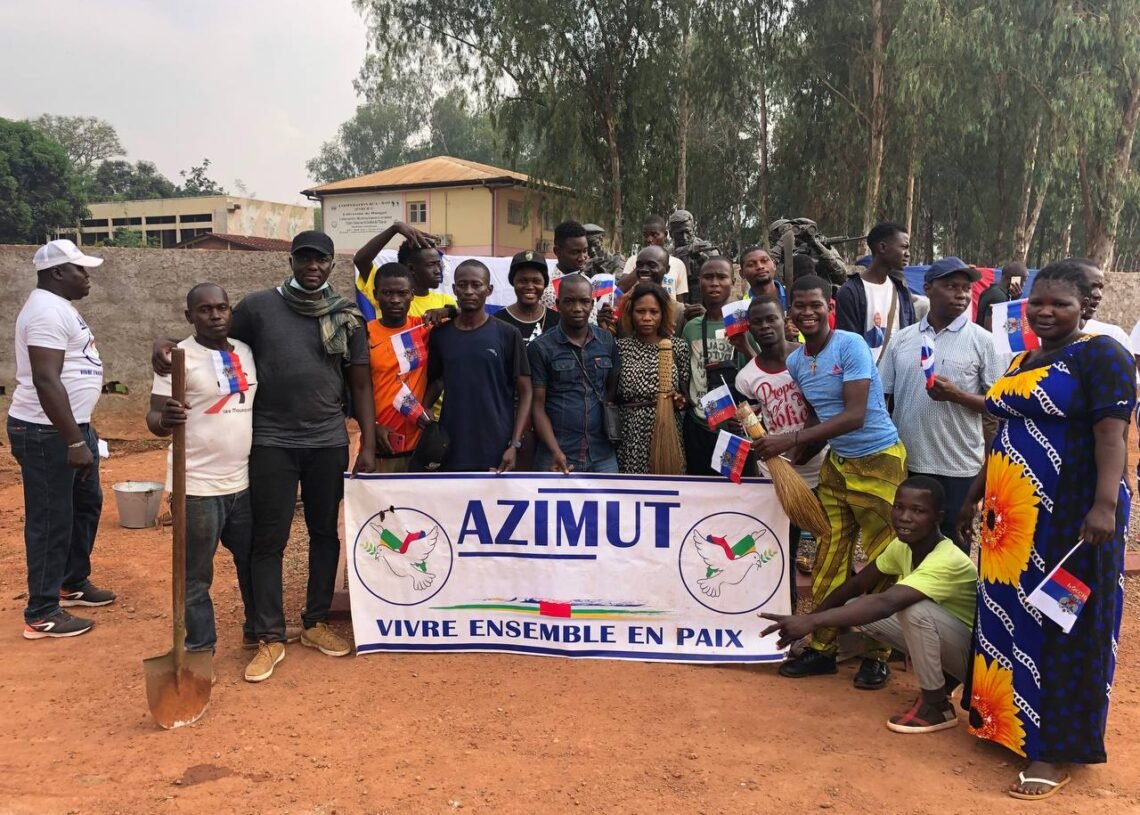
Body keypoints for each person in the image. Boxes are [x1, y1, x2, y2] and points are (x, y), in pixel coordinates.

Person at [151, 231, 376, 682]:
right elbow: (209, 336)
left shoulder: (346, 315)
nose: (312, 266)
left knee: (324, 533)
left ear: (332, 265)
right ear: (291, 261)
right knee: (268, 539)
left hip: (327, 440)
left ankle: (315, 622)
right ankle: (268, 634)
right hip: (271, 442)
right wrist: (164, 344)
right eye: (304, 258)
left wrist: (366, 441)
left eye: (321, 259)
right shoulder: (258, 308)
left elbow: (359, 382)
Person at [956, 260, 1135, 800]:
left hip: (1071, 519)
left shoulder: (1103, 355)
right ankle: (1008, 722)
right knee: (1008, 614)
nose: (1046, 311)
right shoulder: (1021, 359)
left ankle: (1056, 748)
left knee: (1064, 620)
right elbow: (1006, 431)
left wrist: (1104, 506)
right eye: (1038, 302)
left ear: (1084, 307)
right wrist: (974, 494)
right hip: (1009, 524)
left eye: (1061, 303)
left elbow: (1112, 435)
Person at [755, 275, 907, 690]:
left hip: (880, 462)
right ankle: (822, 648)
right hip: (838, 466)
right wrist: (793, 456)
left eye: (815, 305)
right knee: (828, 556)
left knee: (881, 560)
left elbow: (855, 415)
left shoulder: (850, 345)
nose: (807, 312)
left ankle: (877, 655)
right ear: (790, 311)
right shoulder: (797, 362)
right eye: (799, 306)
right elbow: (817, 413)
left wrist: (792, 439)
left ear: (829, 307)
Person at [762, 477, 978, 733]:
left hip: (977, 666)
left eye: (918, 511)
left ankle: (936, 705)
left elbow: (886, 603)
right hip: (951, 644)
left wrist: (811, 621)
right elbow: (856, 585)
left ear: (938, 517)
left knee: (914, 611)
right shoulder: (904, 546)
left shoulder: (947, 560)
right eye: (899, 507)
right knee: (858, 607)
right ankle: (946, 677)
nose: (905, 517)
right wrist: (809, 621)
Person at [9, 240, 115, 639]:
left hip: (70, 427)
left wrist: (82, 429)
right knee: (52, 518)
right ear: (57, 272)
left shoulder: (60, 307)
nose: (87, 277)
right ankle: (42, 612)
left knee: (85, 505)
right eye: (80, 270)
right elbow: (45, 378)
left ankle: (72, 582)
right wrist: (72, 440)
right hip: (46, 432)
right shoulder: (45, 311)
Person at [146, 283, 260, 656]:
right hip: (196, 487)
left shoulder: (245, 350)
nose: (215, 316)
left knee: (252, 562)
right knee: (195, 574)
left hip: (243, 483)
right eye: (205, 310)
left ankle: (257, 630)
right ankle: (200, 648)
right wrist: (164, 419)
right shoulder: (177, 359)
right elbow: (154, 417)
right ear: (189, 316)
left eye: (222, 308)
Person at [880, 257, 1001, 552]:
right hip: (908, 462)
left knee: (954, 544)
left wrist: (957, 395)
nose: (961, 294)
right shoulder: (902, 340)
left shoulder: (984, 342)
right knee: (909, 542)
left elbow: (1000, 405)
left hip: (958, 466)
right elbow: (883, 397)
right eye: (951, 286)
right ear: (928, 288)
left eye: (965, 288)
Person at [734, 296, 827, 603]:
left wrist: (806, 447)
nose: (765, 326)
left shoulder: (807, 359)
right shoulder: (746, 377)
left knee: (830, 538)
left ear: (784, 319)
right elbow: (757, 417)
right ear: (749, 328)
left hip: (818, 464)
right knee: (782, 543)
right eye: (757, 322)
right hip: (777, 472)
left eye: (771, 319)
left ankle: (829, 609)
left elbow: (822, 409)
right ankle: (786, 605)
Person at [424, 260, 532, 472]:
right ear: (454, 289)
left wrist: (515, 444)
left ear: (488, 290)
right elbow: (437, 381)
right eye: (462, 285)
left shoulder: (507, 334)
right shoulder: (440, 335)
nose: (469, 291)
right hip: (451, 442)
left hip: (497, 443)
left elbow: (526, 391)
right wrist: (424, 408)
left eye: (476, 285)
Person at [529, 274, 622, 473]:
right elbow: (537, 406)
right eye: (569, 301)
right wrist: (555, 451)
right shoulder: (541, 347)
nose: (577, 308)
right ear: (558, 305)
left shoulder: (607, 341)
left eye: (584, 301)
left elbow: (611, 392)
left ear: (592, 304)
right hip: (555, 455)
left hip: (602, 455)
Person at [681, 257, 754, 475]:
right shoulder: (690, 328)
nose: (714, 283)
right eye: (708, 277)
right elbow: (685, 371)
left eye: (721, 277)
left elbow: (759, 368)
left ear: (733, 281)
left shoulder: (745, 324)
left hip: (735, 428)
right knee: (700, 487)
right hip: (699, 425)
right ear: (699, 282)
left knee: (733, 488)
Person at [614, 281, 688, 474]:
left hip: (667, 428)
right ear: (631, 313)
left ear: (663, 314)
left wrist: (679, 400)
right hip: (629, 431)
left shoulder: (677, 347)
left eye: (654, 312)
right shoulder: (620, 348)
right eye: (640, 311)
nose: (647, 318)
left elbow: (686, 395)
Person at [367, 262, 434, 472]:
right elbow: (353, 388)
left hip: (418, 446)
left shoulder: (423, 328)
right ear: (376, 295)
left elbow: (468, 314)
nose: (395, 300)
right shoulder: (363, 334)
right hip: (380, 445)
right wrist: (372, 428)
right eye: (387, 293)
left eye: (402, 293)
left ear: (412, 295)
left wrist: (447, 309)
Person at [835, 222, 916, 363]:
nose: (908, 254)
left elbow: (911, 339)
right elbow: (848, 345)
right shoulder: (850, 292)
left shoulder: (902, 292)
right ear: (882, 247)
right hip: (864, 374)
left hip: (897, 374)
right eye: (903, 247)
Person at [351, 220, 449, 318]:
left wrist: (450, 311)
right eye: (431, 265)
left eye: (439, 264)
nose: (438, 271)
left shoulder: (445, 302)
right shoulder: (389, 296)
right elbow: (360, 260)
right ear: (411, 268)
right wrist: (394, 229)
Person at [494, 250, 561, 344]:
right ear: (513, 282)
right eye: (523, 281)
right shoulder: (497, 321)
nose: (530, 287)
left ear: (544, 284)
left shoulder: (558, 322)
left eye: (536, 281)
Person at [619, 214, 690, 301]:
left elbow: (680, 300)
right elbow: (621, 289)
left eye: (654, 235)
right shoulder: (634, 260)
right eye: (646, 235)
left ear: (665, 235)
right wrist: (641, 266)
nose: (649, 239)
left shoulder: (678, 264)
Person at [1077, 259, 1133, 353]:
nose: (1098, 295)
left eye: (1100, 287)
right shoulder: (1050, 339)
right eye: (1090, 287)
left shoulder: (1113, 336)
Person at [668, 209, 720, 300]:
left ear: (693, 229)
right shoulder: (667, 253)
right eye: (679, 233)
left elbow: (719, 271)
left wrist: (700, 258)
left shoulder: (705, 247)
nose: (684, 237)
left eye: (687, 232)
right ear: (671, 233)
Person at [976, 261, 1025, 331]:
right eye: (1023, 280)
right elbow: (991, 330)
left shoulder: (993, 291)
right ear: (1012, 278)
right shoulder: (999, 297)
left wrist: (1014, 301)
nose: (1024, 284)